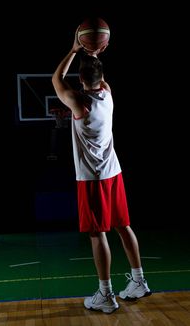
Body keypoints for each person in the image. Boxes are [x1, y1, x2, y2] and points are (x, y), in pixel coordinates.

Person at [51, 26, 151, 314]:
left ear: (81, 79)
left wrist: (74, 49)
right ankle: (138, 281)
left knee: (97, 234)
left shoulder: (78, 103)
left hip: (92, 179)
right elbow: (97, 76)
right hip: (113, 173)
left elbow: (56, 79)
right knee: (123, 226)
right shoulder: (107, 95)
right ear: (100, 77)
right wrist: (94, 55)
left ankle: (106, 295)